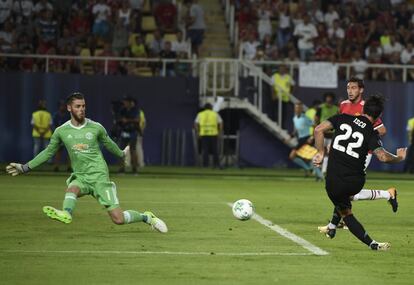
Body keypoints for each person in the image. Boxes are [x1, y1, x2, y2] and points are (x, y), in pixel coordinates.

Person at [5, 92, 167, 233]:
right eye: (77, 106)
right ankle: (66, 213)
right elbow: (48, 152)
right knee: (73, 187)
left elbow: (109, 143)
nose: (81, 109)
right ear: (69, 108)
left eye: (83, 106)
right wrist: (25, 167)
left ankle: (147, 217)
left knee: (118, 219)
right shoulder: (61, 131)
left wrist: (121, 154)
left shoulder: (96, 127)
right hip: (81, 176)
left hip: (99, 177)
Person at [313, 95, 406, 250]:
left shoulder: (341, 118)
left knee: (346, 212)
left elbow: (318, 130)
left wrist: (321, 153)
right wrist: (399, 158)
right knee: (346, 199)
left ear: (362, 109)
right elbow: (382, 157)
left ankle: (363, 238)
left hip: (331, 183)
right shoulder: (371, 132)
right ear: (379, 116)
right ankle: (368, 240)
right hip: (354, 182)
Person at [318, 78, 398, 233]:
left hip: (362, 153)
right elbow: (341, 127)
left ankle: (334, 225)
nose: (350, 90)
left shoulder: (365, 107)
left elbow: (382, 130)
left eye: (354, 87)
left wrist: (364, 138)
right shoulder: (343, 105)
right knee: (343, 189)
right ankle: (335, 224)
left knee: (347, 191)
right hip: (345, 151)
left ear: (361, 90)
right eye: (348, 87)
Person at [289, 102, 324, 181]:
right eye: (296, 108)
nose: (297, 109)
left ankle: (310, 170)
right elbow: (296, 130)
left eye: (299, 108)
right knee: (310, 158)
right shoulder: (294, 118)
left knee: (292, 155)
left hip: (307, 139)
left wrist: (312, 137)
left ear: (301, 109)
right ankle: (317, 174)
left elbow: (315, 127)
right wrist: (289, 137)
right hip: (300, 140)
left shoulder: (305, 118)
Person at [315, 92, 339, 175]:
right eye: (327, 98)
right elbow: (316, 119)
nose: (328, 100)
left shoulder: (336, 109)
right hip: (322, 134)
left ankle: (324, 170)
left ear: (332, 100)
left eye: (330, 99)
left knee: (329, 154)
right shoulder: (320, 108)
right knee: (320, 152)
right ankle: (318, 170)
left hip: (332, 135)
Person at [194, 103, 223, 168]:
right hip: (213, 134)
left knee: (205, 150)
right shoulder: (215, 114)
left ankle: (205, 165)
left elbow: (195, 123)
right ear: (211, 107)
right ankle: (216, 164)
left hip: (204, 134)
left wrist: (198, 132)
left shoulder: (200, 114)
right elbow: (221, 122)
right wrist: (219, 132)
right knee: (215, 150)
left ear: (204, 108)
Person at [118, 96, 140, 174]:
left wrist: (127, 120)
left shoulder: (136, 110)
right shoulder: (122, 110)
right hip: (124, 131)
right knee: (121, 151)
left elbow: (137, 120)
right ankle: (121, 169)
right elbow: (119, 119)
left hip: (133, 132)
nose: (124, 103)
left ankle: (134, 169)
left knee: (133, 150)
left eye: (126, 101)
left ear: (130, 102)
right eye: (124, 101)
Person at [271, 64, 294, 130]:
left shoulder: (288, 77)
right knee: (275, 111)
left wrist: (290, 94)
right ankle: (275, 123)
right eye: (280, 68)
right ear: (278, 69)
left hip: (285, 98)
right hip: (277, 97)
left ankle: (282, 126)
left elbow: (293, 85)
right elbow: (272, 87)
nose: (281, 70)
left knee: (283, 113)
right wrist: (273, 95)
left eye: (283, 68)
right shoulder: (274, 76)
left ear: (285, 69)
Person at [52, 100, 71, 172]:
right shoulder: (56, 115)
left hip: (67, 136)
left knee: (70, 152)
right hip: (59, 136)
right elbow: (53, 125)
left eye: (63, 106)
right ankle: (56, 167)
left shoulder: (68, 115)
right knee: (58, 152)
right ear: (59, 107)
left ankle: (69, 167)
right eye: (61, 106)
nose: (62, 107)